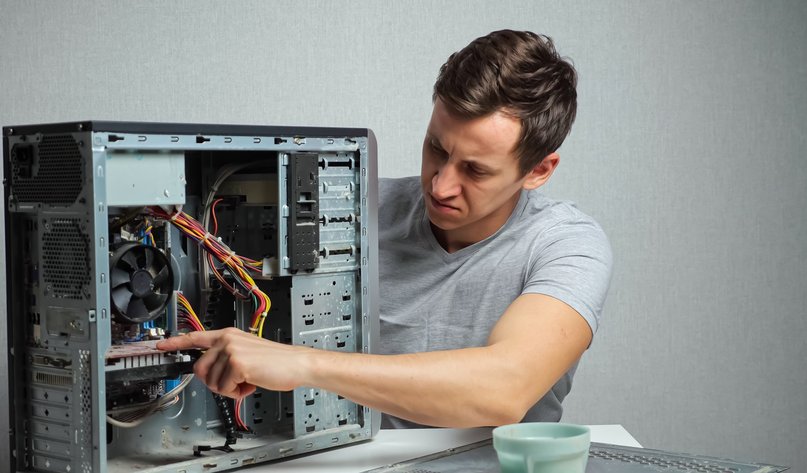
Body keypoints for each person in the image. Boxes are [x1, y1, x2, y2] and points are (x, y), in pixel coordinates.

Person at [157, 29, 612, 429]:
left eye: (475, 170)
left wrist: (305, 364)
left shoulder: (565, 244)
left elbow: (504, 390)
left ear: (539, 170)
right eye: (436, 148)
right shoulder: (358, 210)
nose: (441, 184)